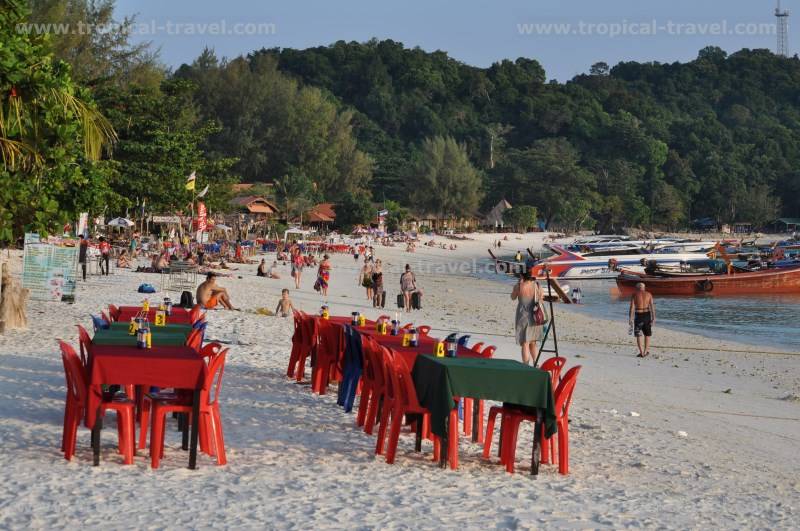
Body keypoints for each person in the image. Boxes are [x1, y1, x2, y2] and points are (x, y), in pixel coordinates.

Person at [511, 271, 544, 366]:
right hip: (536, 317)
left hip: (523, 316)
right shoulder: (537, 285)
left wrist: (518, 285)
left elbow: (513, 297)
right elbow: (541, 298)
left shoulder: (519, 286)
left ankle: (526, 365)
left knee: (525, 342)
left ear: (522, 275)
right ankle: (536, 364)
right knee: (533, 342)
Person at [629, 282, 655, 357]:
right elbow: (652, 307)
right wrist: (653, 318)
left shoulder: (634, 294)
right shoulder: (649, 294)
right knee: (647, 335)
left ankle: (641, 352)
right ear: (644, 287)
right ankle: (645, 351)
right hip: (647, 315)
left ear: (637, 288)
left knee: (638, 335)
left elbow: (632, 308)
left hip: (638, 316)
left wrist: (630, 318)